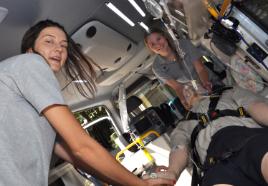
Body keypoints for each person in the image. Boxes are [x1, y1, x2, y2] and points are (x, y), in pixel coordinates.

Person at [0, 19, 175, 186]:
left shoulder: (38, 107)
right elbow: (81, 147)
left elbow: (79, 159)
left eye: (63, 45)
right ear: (30, 50)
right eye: (49, 41)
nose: (59, 49)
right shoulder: (31, 62)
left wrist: (137, 181)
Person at [152, 85, 268, 186]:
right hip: (215, 163)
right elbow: (178, 148)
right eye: (185, 91)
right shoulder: (182, 126)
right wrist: (173, 171)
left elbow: (256, 106)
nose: (188, 89)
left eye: (192, 84)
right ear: (185, 103)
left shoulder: (229, 93)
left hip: (247, 138)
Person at [144, 28, 224, 111]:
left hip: (209, 81)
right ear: (150, 48)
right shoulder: (157, 67)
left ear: (164, 37)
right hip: (192, 93)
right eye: (153, 44)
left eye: (158, 39)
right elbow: (178, 87)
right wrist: (183, 100)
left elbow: (200, 69)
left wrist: (206, 83)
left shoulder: (183, 44)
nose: (158, 45)